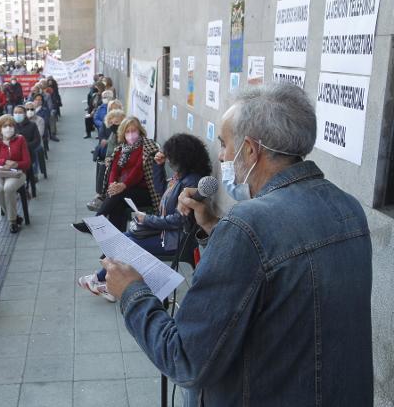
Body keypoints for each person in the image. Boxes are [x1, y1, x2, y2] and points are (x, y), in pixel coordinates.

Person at [103, 84, 373, 406]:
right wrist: (212, 225)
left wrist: (132, 292)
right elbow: (282, 285)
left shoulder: (246, 226)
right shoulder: (348, 208)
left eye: (223, 144)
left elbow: (185, 359)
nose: (220, 155)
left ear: (249, 150)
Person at [79, 133, 212, 302]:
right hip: (165, 232)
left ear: (182, 157)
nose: (168, 159)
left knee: (127, 245)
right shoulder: (181, 177)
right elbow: (159, 189)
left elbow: (179, 221)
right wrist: (158, 166)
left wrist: (147, 220)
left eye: (170, 156)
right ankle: (104, 282)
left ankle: (101, 281)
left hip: (174, 239)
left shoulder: (191, 182)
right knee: (122, 239)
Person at [72, 117, 161, 233]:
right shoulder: (120, 148)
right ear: (123, 133)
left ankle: (94, 223)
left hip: (145, 192)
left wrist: (123, 185)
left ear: (140, 131)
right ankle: (113, 249)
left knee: (119, 194)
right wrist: (112, 184)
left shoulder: (147, 147)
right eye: (127, 131)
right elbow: (114, 169)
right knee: (117, 206)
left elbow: (138, 170)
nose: (131, 134)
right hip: (124, 190)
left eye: (134, 131)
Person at [0, 115, 31, 233]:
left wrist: (16, 164)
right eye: (5, 126)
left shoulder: (20, 139)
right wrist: (4, 161)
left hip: (17, 173)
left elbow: (27, 162)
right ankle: (15, 216)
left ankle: (12, 221)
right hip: (0, 173)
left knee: (8, 188)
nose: (8, 128)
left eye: (11, 126)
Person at [87, 108, 126, 212]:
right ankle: (100, 194)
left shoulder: (126, 133)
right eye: (111, 123)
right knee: (102, 163)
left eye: (117, 122)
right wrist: (108, 158)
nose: (114, 125)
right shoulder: (113, 134)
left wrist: (111, 159)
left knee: (105, 166)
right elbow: (110, 151)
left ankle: (101, 195)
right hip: (115, 161)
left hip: (123, 163)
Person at [13, 105, 42, 178]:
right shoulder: (11, 125)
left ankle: (33, 175)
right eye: (15, 112)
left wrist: (25, 147)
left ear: (25, 114)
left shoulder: (32, 125)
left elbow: (37, 140)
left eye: (20, 112)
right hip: (14, 153)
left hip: (28, 151)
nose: (17, 114)